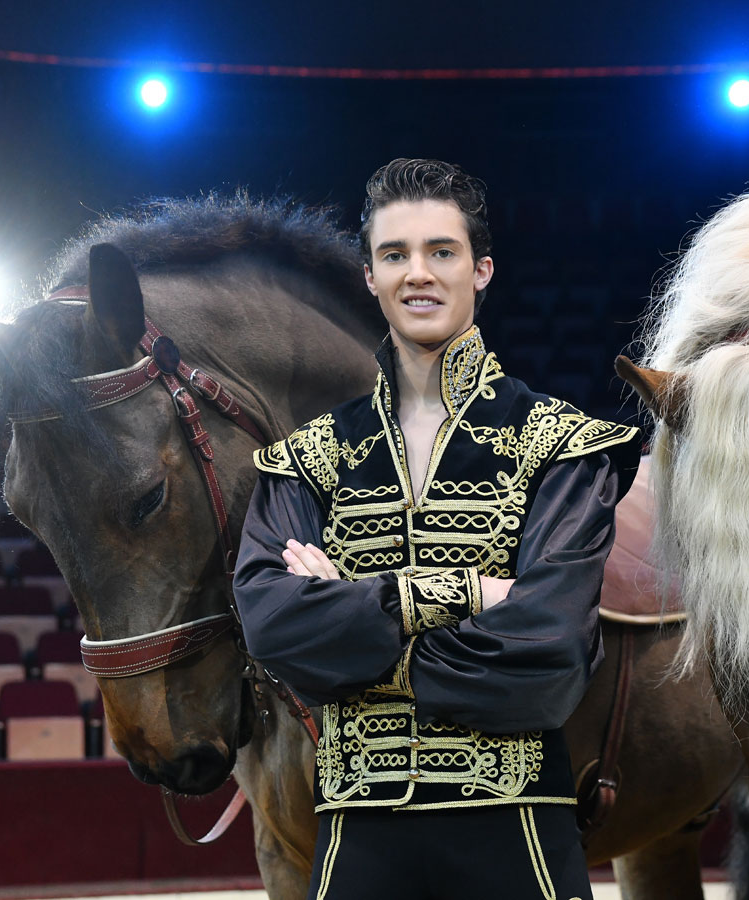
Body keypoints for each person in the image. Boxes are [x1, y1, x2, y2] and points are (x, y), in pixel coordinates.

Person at [234, 158, 638, 900]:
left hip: (519, 830)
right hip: (356, 836)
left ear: (481, 270)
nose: (417, 273)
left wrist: (351, 623)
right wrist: (466, 594)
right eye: (395, 255)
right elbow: (272, 629)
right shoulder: (304, 460)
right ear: (370, 278)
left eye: (441, 252)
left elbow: (550, 655)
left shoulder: (563, 447)